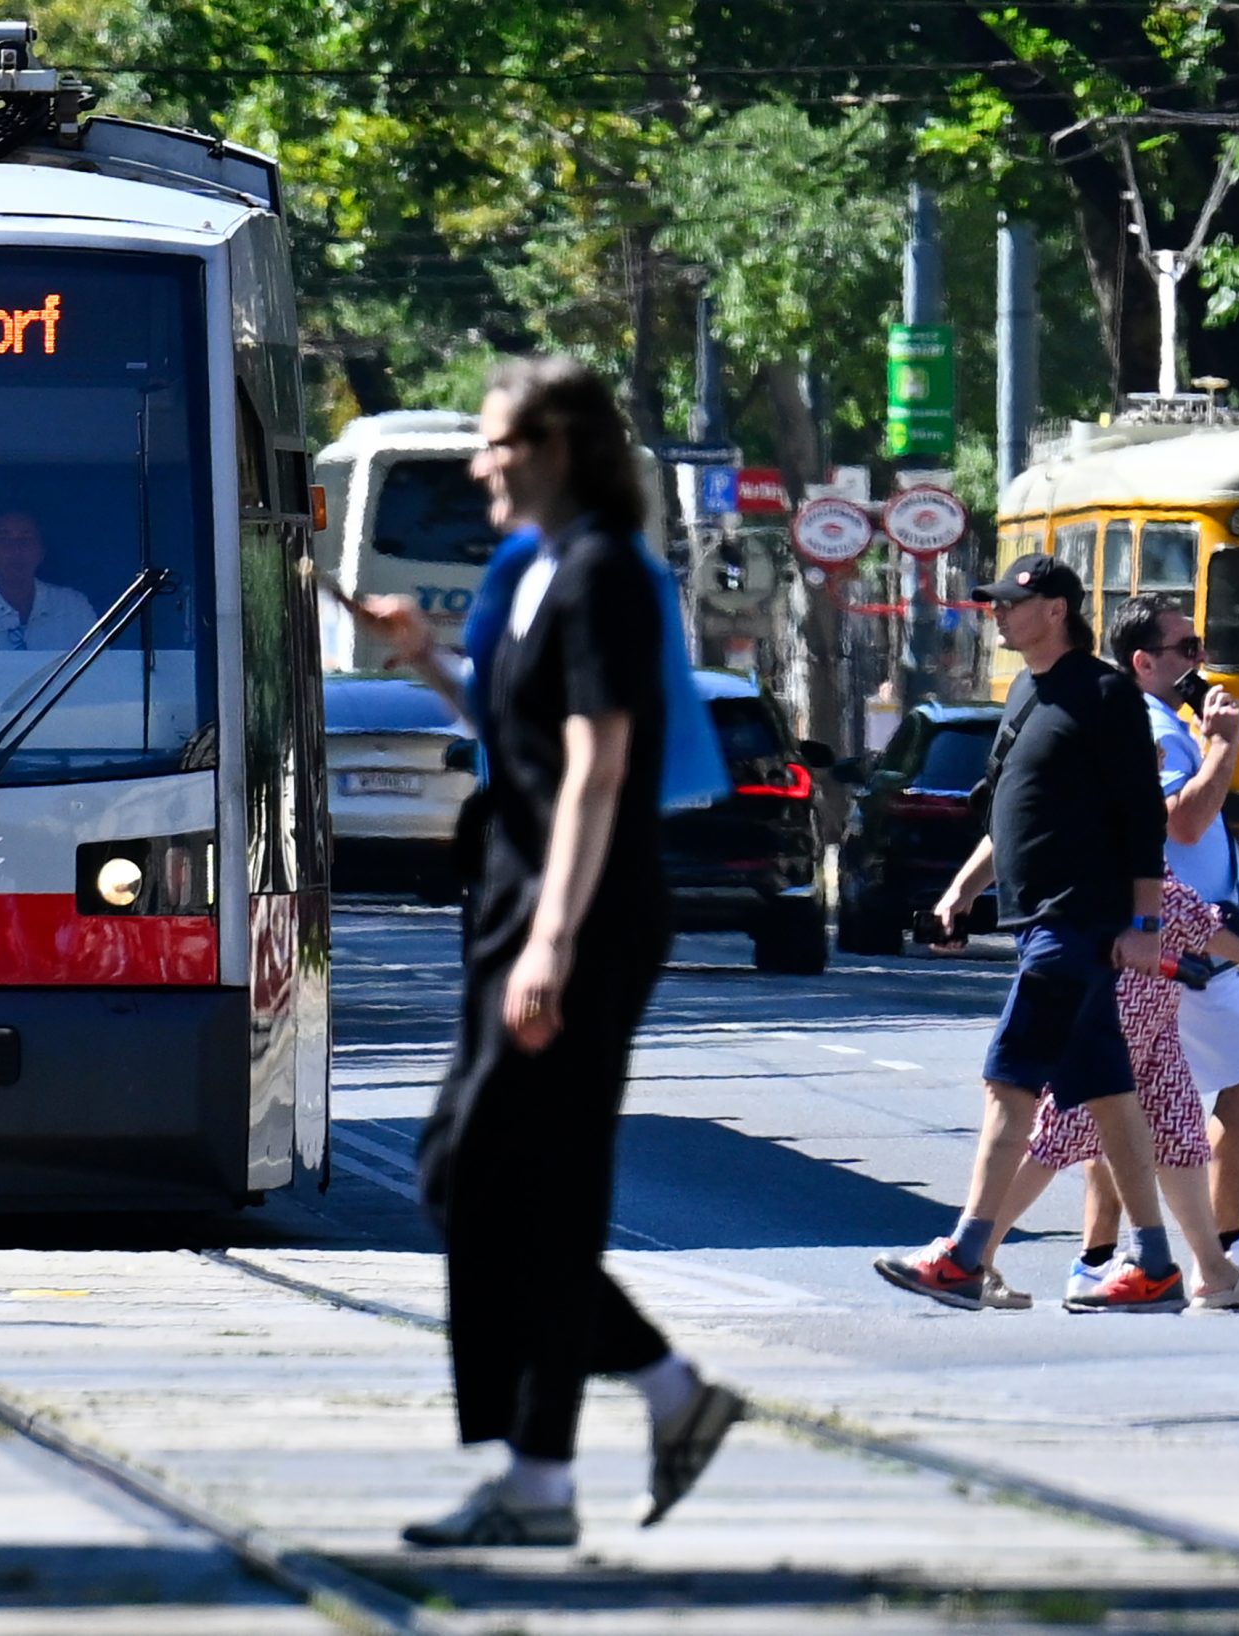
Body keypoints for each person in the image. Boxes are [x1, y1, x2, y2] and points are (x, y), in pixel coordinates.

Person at [366, 357, 742, 1549]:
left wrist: (554, 942)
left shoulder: (603, 579)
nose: (479, 463)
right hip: (517, 906)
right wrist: (426, 658)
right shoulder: (531, 577)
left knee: (497, 1174)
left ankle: (559, 1466)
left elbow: (597, 764)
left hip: (574, 917)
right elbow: (516, 732)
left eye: (497, 443)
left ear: (559, 448)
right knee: (485, 1177)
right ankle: (611, 1428)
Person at [871, 554, 1187, 1314]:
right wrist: (961, 889)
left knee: (1008, 1084)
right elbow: (1013, 809)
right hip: (1040, 919)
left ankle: (965, 1256)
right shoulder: (1023, 691)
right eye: (996, 603)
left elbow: (1143, 818)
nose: (999, 614)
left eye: (1013, 602)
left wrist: (1145, 924)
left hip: (1075, 925)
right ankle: (1154, 1265)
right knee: (1111, 1097)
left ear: (1057, 609)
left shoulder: (1106, 693)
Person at [941, 870, 1239, 1311]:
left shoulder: (1135, 855)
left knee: (1179, 1135)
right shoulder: (1134, 859)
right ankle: (978, 1257)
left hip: (1156, 1017)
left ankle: (1214, 1270)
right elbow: (1189, 916)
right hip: (1118, 1016)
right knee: (1056, 1137)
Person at [1100, 593, 1239, 1294]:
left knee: (1219, 1091)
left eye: (1200, 646)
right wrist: (1224, 746)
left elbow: (1211, 837)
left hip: (1203, 945)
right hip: (1168, 947)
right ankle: (1140, 1254)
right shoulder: (1148, 729)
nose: (1201, 663)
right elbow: (1182, 826)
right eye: (1187, 650)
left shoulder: (1169, 723)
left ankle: (1208, 1248)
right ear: (1144, 662)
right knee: (1120, 1108)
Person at [0, 510, 98, 650]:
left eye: (26, 539)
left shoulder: (74, 605)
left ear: (41, 552)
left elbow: (100, 669)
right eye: (4, 540)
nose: (16, 549)